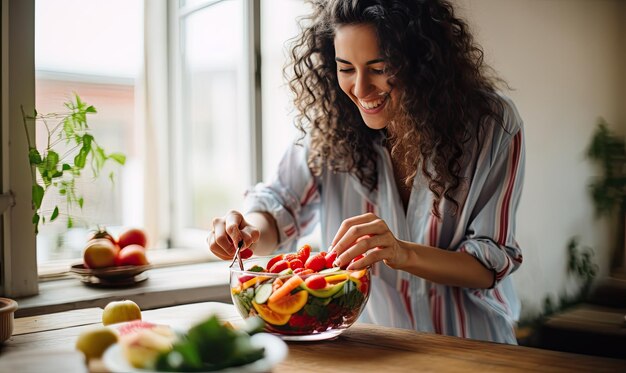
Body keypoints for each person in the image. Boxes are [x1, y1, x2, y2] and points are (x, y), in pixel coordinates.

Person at [208, 0, 524, 344]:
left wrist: (403, 253)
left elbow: (489, 264)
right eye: (346, 68)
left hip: (474, 348)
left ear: (422, 62)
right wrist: (249, 229)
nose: (360, 89)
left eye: (379, 67)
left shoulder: (491, 125)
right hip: (377, 351)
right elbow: (280, 203)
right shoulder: (329, 128)